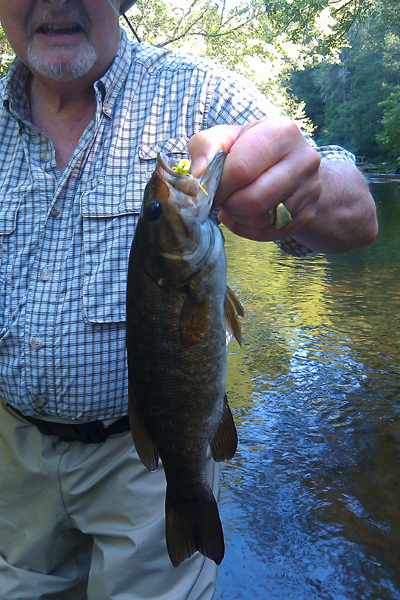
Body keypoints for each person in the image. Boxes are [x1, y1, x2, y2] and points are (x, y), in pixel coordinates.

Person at [0, 1, 378, 599]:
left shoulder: (195, 90)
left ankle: (189, 506)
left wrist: (306, 191)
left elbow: (356, 212)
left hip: (145, 457)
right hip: (12, 459)